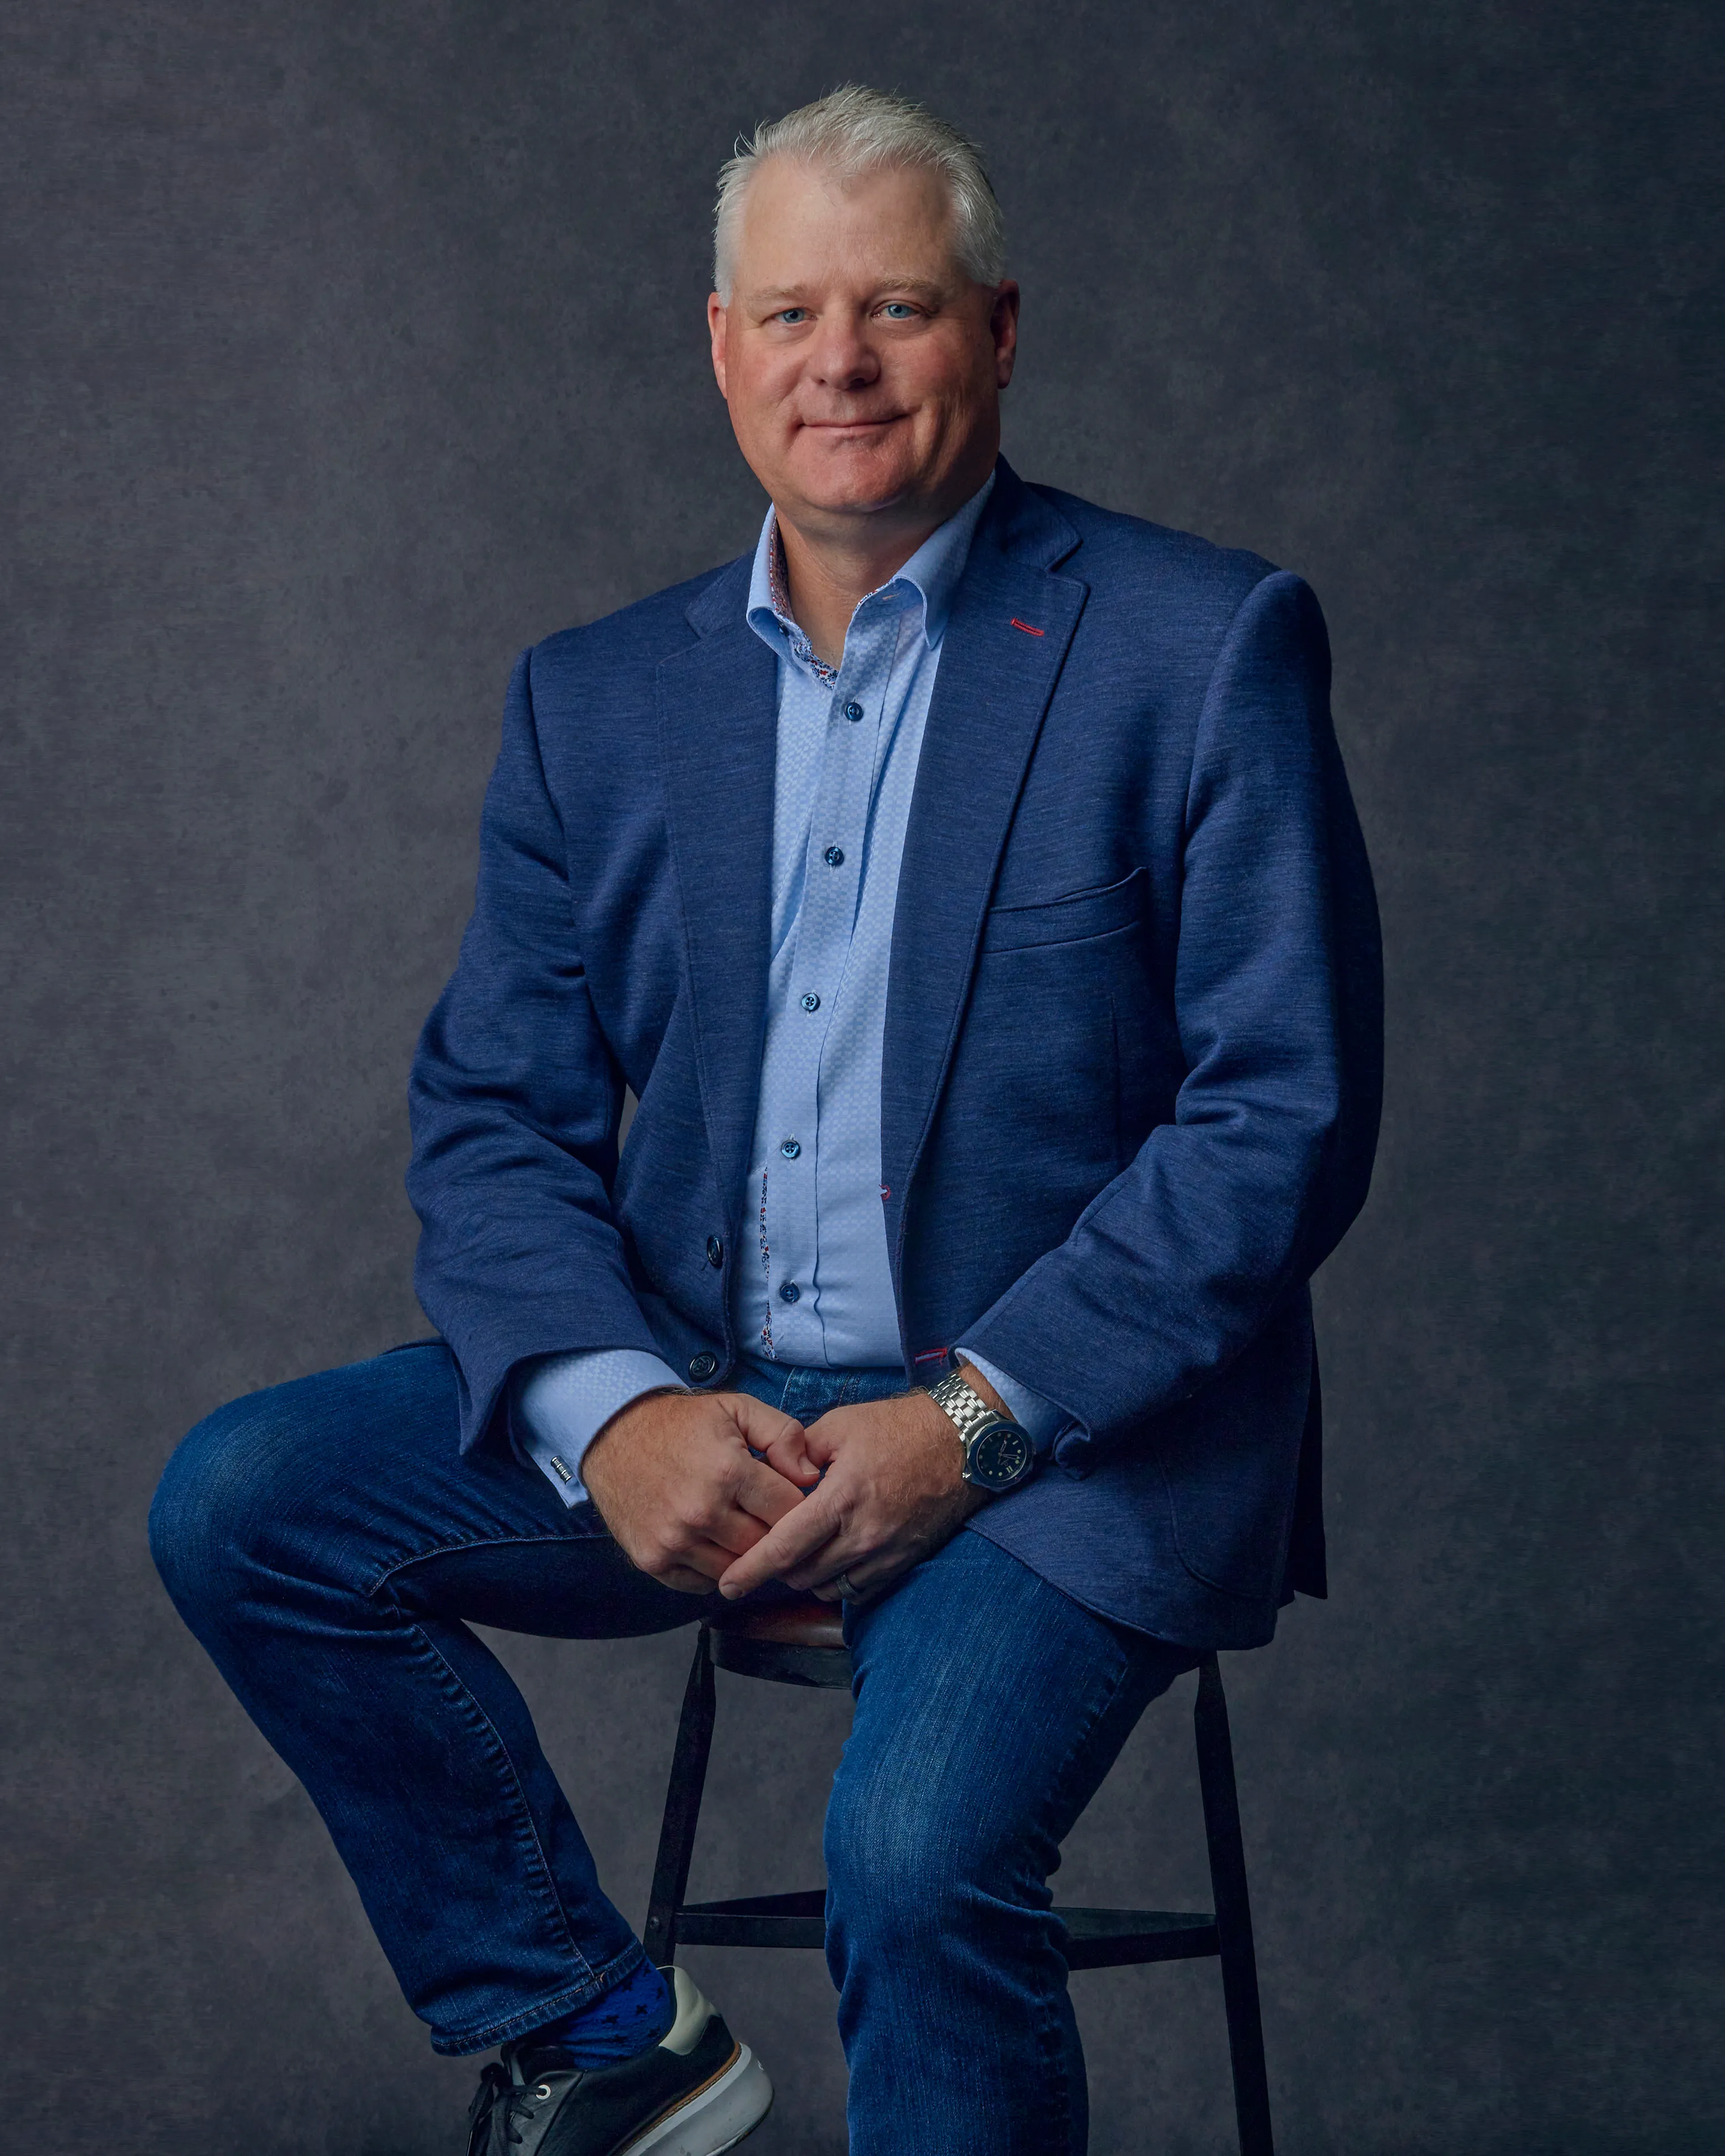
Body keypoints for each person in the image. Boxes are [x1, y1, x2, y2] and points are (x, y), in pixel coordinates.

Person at [151, 83, 1382, 2156]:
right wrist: (612, 1408)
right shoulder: (597, 700)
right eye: (790, 311)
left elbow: (1281, 1115)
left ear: (997, 332)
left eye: (896, 305)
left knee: (906, 1858)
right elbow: (493, 1114)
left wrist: (969, 1423)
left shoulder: (1194, 647)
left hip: (1061, 1450)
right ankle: (597, 2029)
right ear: (719, 348)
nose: (840, 361)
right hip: (715, 1411)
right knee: (248, 1503)